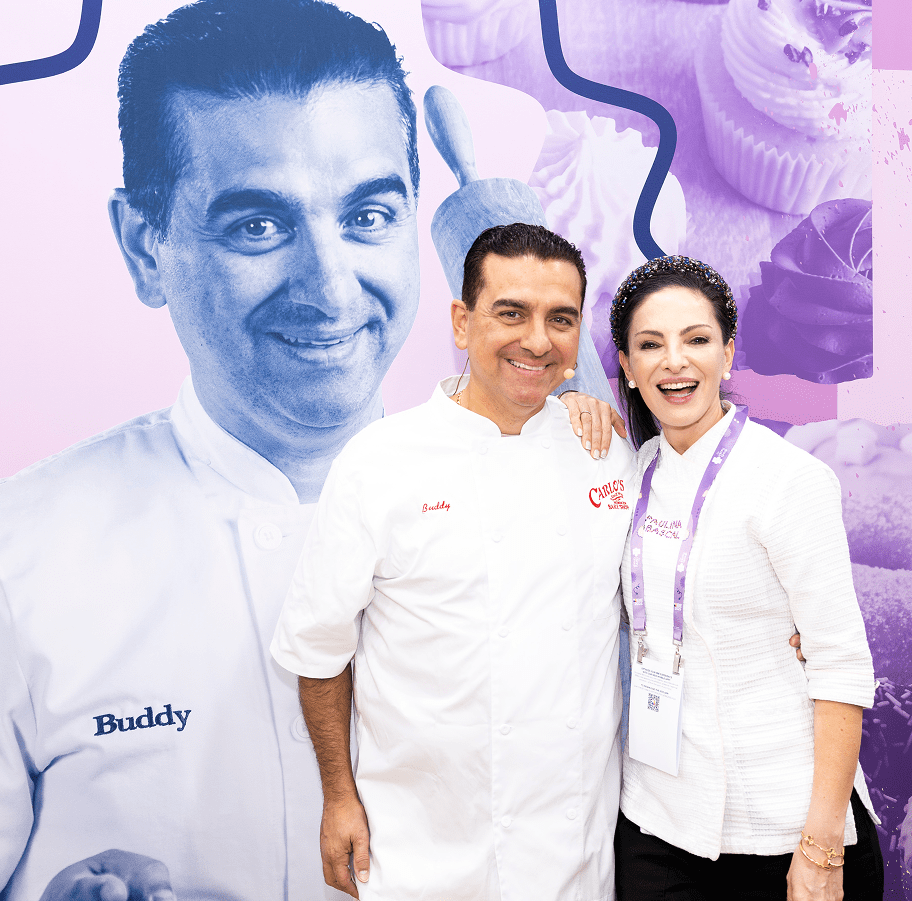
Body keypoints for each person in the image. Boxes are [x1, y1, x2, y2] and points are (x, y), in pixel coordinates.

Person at [0, 0, 421, 899]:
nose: (330, 287)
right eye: (258, 226)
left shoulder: (558, 526)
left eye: (368, 216)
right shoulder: (16, 558)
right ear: (143, 246)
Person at [271, 223, 635, 901]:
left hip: (571, 853)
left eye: (560, 319)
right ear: (462, 323)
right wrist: (338, 797)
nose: (538, 341)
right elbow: (318, 651)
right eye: (511, 313)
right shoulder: (380, 461)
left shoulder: (606, 454)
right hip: (418, 849)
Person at [604, 255, 884, 900]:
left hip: (784, 826)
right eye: (651, 345)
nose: (674, 362)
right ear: (627, 366)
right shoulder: (630, 472)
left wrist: (820, 846)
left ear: (728, 354)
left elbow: (841, 666)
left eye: (696, 340)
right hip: (657, 822)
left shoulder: (789, 480)